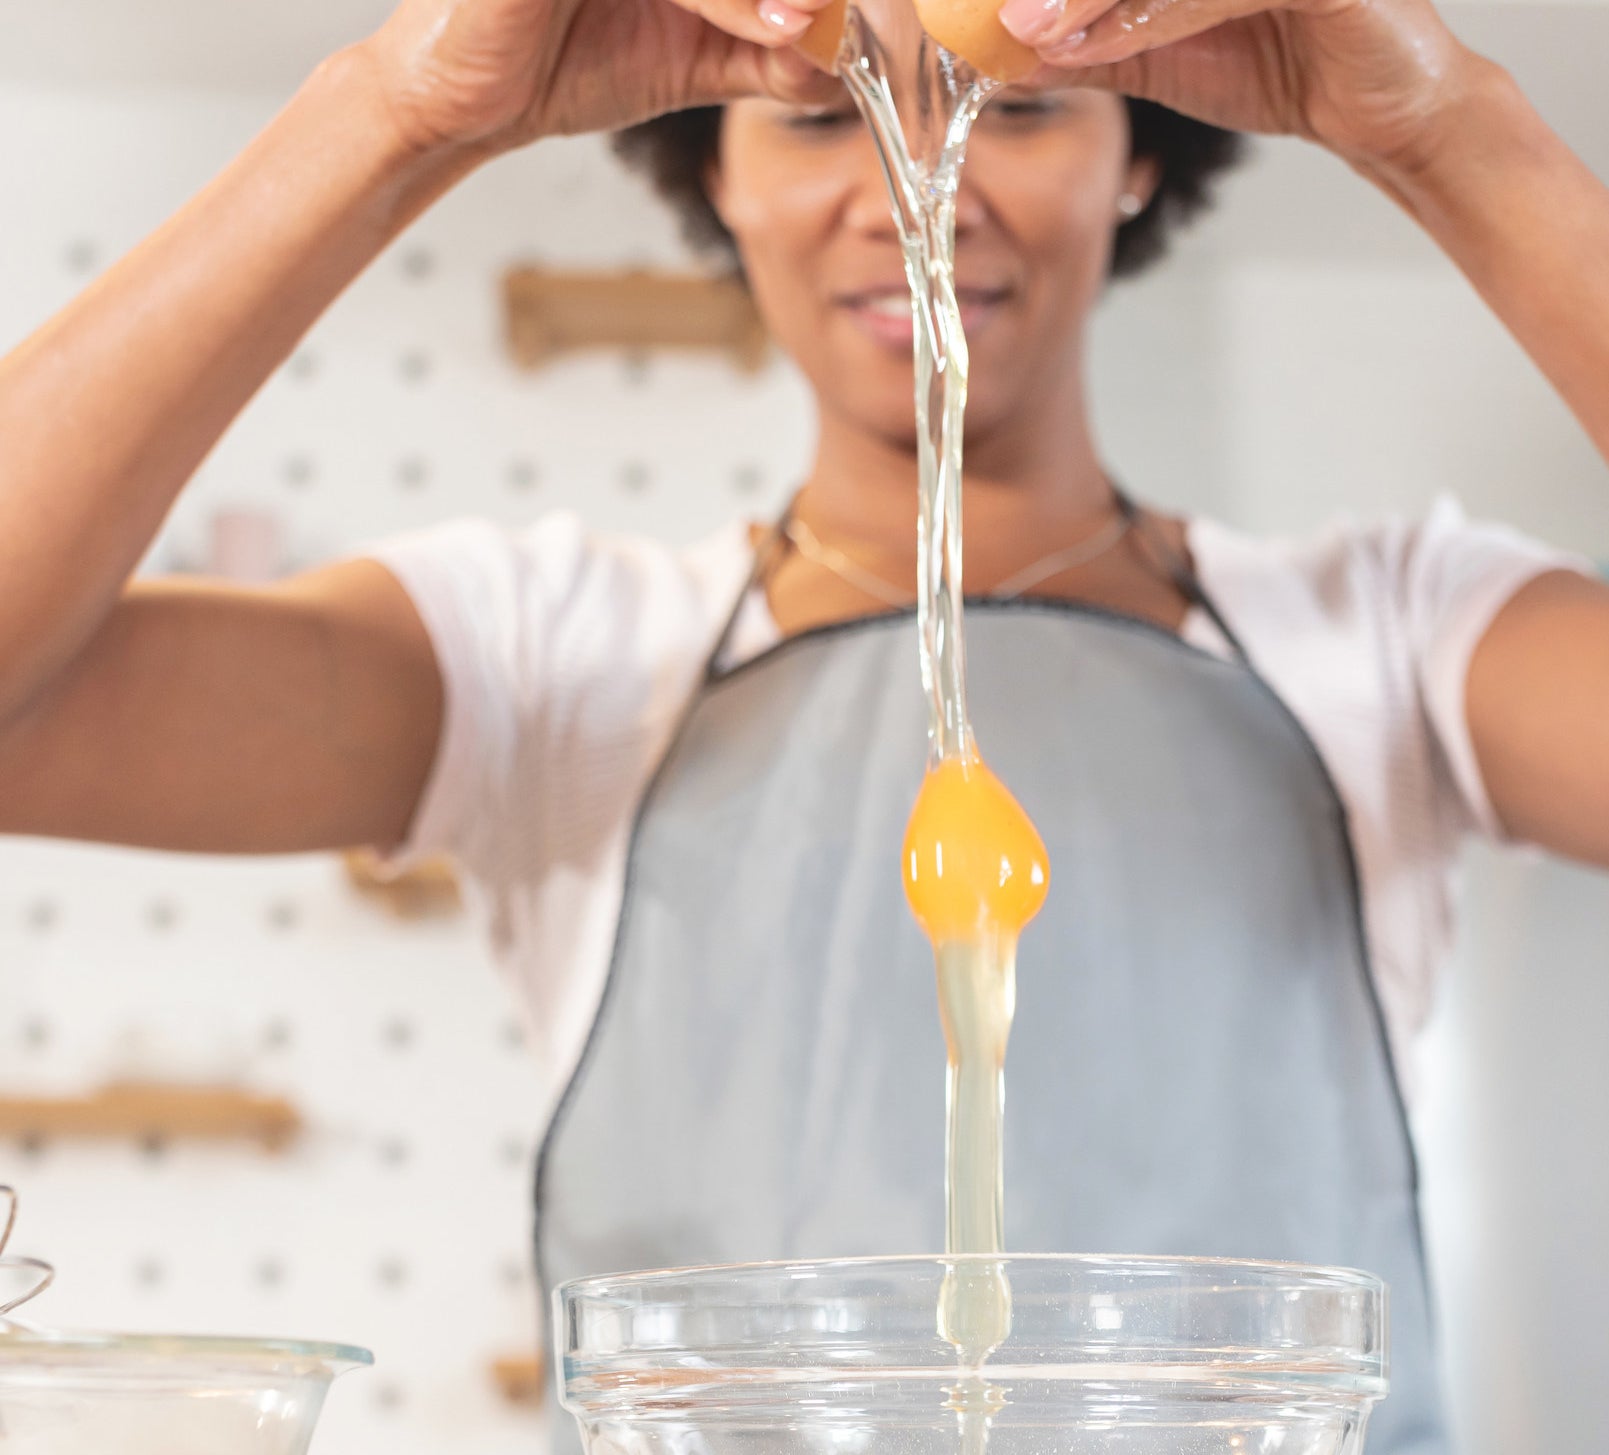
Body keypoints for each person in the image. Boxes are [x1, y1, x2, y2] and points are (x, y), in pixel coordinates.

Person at [1, 0, 1607, 1446]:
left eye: (1019, 110)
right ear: (714, 168)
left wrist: (1447, 130)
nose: (917, 187)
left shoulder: (1394, 642)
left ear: (1140, 155)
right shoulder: (548, 661)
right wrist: (394, 115)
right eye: (825, 114)